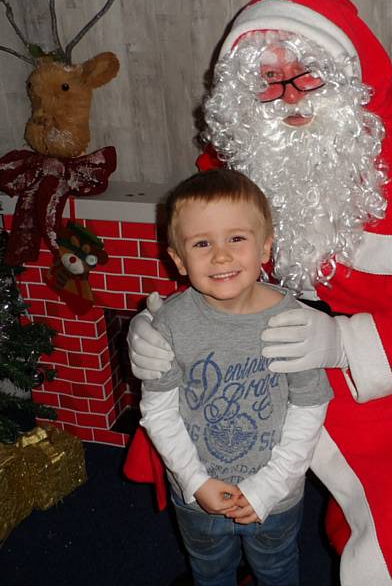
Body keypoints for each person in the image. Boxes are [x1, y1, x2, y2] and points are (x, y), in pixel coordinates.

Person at [126, 0, 392, 586]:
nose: (287, 97)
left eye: (306, 75)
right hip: (253, 344)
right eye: (267, 79)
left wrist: (340, 343)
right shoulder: (244, 152)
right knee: (198, 433)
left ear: (347, 73)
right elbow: (205, 253)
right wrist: (158, 323)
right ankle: (242, 553)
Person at [139, 168, 333, 586]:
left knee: (278, 568)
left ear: (265, 245)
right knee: (208, 570)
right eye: (202, 243)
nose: (221, 256)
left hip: (276, 495)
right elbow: (158, 411)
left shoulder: (295, 322)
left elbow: (309, 408)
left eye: (237, 238)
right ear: (177, 258)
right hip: (196, 494)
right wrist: (196, 482)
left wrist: (268, 487)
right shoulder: (170, 324)